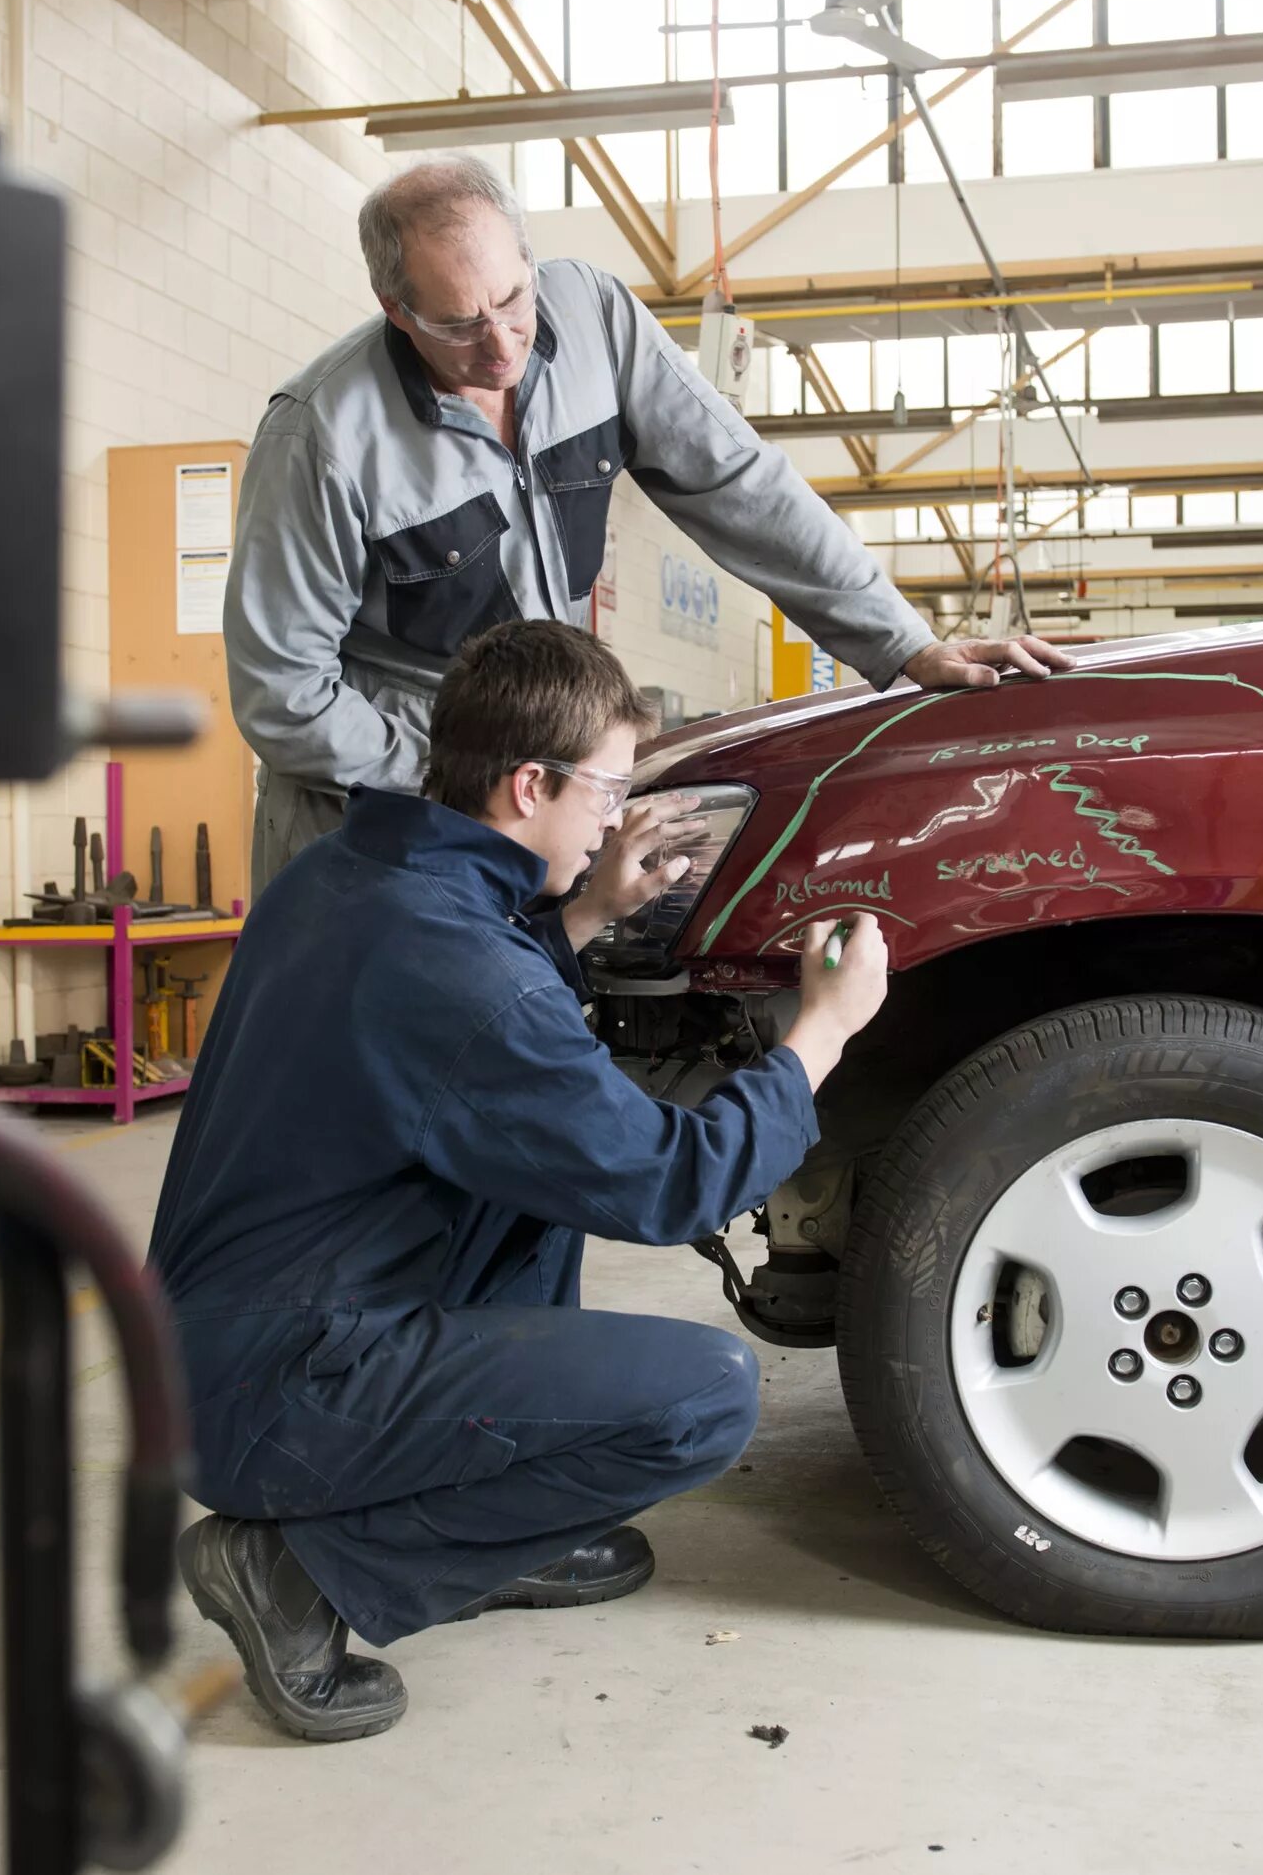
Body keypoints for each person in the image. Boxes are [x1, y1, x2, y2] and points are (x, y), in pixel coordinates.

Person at [149, 619, 893, 1742]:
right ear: (528, 781)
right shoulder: (460, 967)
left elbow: (464, 1027)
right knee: (702, 1397)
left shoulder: (349, 873)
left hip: (219, 1346)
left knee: (536, 1183)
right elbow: (667, 1183)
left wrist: (586, 910)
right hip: (279, 1392)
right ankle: (303, 1568)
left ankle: (490, 1529)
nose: (614, 816)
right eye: (605, 790)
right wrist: (821, 1036)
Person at [227, 150, 1070, 894]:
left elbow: (741, 482)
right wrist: (463, 783)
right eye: (458, 324)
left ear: (528, 254)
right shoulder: (322, 435)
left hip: (528, 798)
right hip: (372, 828)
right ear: (396, 308)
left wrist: (902, 642)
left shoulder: (593, 317)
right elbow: (283, 695)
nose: (500, 347)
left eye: (513, 301)